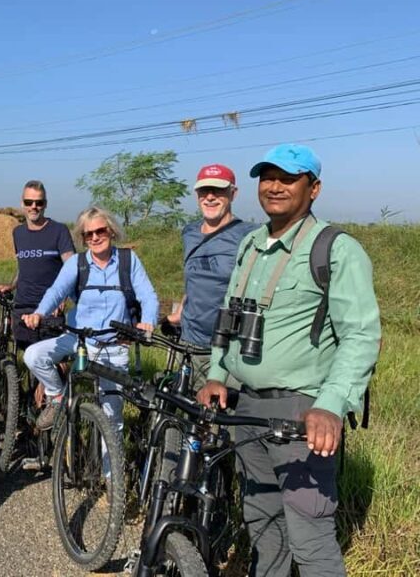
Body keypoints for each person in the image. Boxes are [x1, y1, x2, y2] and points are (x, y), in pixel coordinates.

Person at [196, 144, 381, 576]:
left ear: (313, 188)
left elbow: (361, 335)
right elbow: (230, 316)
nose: (275, 186)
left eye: (288, 178)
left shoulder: (335, 248)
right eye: (267, 177)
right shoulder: (251, 243)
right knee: (263, 526)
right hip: (247, 408)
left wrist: (330, 406)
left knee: (310, 536)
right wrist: (218, 374)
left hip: (301, 415)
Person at [22, 206, 159, 433]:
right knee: (33, 355)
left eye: (100, 231)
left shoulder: (128, 260)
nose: (95, 237)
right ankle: (56, 397)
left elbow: (148, 296)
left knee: (111, 419)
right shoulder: (77, 263)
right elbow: (56, 290)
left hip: (114, 346)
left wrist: (148, 322)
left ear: (111, 231)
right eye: (88, 234)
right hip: (79, 339)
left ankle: (110, 469)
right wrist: (39, 313)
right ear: (83, 238)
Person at [166, 164, 257, 388]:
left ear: (232, 194)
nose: (210, 197)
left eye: (218, 191)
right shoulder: (189, 232)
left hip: (228, 346)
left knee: (226, 416)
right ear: (196, 195)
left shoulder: (250, 235)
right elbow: (193, 281)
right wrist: (178, 314)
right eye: (203, 191)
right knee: (186, 414)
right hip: (189, 342)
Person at [0, 180, 75, 348]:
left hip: (50, 309)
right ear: (23, 203)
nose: (34, 206)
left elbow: (72, 269)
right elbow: (23, 266)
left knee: (50, 361)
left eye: (39, 202)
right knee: (26, 352)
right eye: (29, 202)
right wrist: (11, 286)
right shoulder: (18, 233)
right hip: (21, 307)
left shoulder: (59, 231)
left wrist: (61, 298)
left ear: (45, 204)